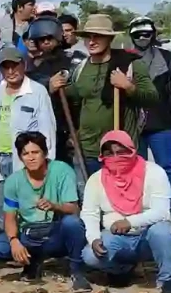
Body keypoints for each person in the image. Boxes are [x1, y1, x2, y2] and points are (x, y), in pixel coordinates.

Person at [80, 130, 171, 293]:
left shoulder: (154, 172)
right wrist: (93, 238)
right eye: (109, 154)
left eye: (121, 152)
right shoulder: (96, 179)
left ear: (132, 150)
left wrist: (129, 222)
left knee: (162, 230)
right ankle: (121, 270)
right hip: (116, 238)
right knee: (90, 255)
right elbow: (90, 213)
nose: (115, 157)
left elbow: (162, 212)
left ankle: (169, 280)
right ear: (102, 156)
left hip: (147, 236)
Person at [0, 131, 88, 289]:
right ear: (20, 157)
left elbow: (74, 209)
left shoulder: (62, 171)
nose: (31, 157)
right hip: (28, 233)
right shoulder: (13, 181)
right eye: (25, 154)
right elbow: (10, 217)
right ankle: (33, 260)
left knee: (73, 223)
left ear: (44, 153)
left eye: (35, 152)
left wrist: (55, 206)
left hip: (55, 231)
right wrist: (14, 240)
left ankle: (77, 271)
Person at [57, 14, 157, 175]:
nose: (92, 41)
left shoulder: (130, 65)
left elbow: (152, 98)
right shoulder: (81, 68)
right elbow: (75, 98)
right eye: (88, 37)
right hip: (88, 149)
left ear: (109, 39)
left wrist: (128, 87)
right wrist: (54, 87)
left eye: (98, 37)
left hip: (120, 149)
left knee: (121, 197)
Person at [0, 46, 57, 220]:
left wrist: (47, 166)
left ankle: (25, 243)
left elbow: (48, 133)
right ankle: (8, 243)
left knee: (25, 207)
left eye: (14, 65)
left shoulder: (37, 91)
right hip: (0, 158)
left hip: (25, 160)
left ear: (23, 65)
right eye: (5, 67)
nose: (10, 71)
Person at [128, 17, 171, 220]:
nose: (142, 38)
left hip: (162, 122)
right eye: (137, 34)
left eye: (146, 33)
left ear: (153, 35)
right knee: (136, 167)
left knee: (167, 166)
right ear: (131, 36)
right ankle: (141, 205)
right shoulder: (123, 60)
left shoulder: (169, 59)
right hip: (132, 124)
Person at [24, 17, 79, 166]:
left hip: (75, 128)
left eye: (49, 38)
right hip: (49, 130)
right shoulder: (33, 68)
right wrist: (48, 87)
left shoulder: (75, 60)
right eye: (41, 39)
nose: (46, 42)